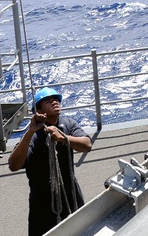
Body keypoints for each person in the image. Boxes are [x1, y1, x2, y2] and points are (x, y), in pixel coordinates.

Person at [8, 87, 92, 236]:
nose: (54, 102)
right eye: (48, 101)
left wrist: (63, 138)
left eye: (56, 99)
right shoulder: (33, 135)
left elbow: (86, 145)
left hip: (70, 191)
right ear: (39, 110)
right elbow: (14, 165)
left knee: (80, 230)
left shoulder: (68, 124)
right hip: (42, 199)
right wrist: (30, 132)